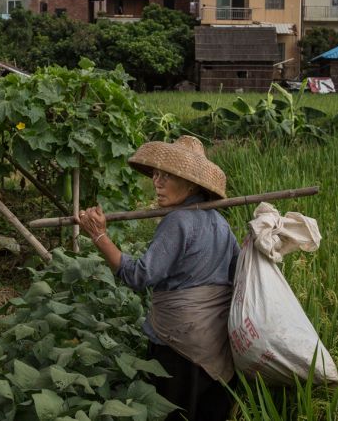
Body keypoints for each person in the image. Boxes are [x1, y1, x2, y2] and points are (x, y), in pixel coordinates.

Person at [74, 135, 239, 421]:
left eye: (168, 176)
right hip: (217, 343)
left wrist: (99, 236)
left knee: (173, 412)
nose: (157, 182)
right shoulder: (221, 223)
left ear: (191, 184)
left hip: (180, 345)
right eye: (156, 174)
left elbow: (139, 276)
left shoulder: (179, 221)